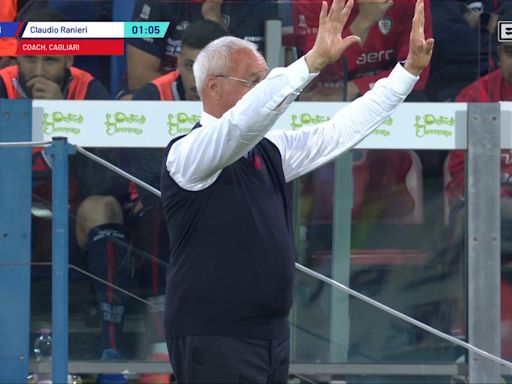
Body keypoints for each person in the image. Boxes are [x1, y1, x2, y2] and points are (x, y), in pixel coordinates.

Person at [159, 0, 434, 381]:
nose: (265, 91)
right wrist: (311, 63)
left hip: (271, 334)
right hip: (214, 335)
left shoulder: (270, 150)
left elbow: (341, 131)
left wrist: (406, 73)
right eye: (254, 82)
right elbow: (242, 122)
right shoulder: (187, 155)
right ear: (214, 87)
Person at [0, 10, 131, 382]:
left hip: (71, 225)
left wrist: (62, 116)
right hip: (13, 223)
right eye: (30, 58)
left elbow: (106, 184)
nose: (38, 71)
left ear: (70, 59)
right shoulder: (2, 85)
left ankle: (111, 350)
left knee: (102, 207)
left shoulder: (89, 90)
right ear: (17, 57)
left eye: (50, 59)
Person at [127, 19, 229, 384]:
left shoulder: (238, 101)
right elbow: (142, 168)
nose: (194, 76)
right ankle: (160, 340)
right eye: (188, 66)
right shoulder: (151, 95)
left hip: (215, 208)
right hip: (160, 206)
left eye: (205, 67)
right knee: (161, 219)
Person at [445, 9, 512, 360]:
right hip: (488, 211)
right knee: (470, 217)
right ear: (498, 54)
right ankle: (463, 342)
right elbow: (459, 175)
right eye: (510, 52)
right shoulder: (476, 96)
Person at [291, 0, 432, 101]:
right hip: (326, 94)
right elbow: (317, 73)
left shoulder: (413, 3)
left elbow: (415, 73)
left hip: (378, 91)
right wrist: (363, 21)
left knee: (413, 98)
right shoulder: (312, 3)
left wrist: (356, 87)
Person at [126, 0, 273, 92]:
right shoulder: (154, 3)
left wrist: (214, 18)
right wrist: (189, 93)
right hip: (169, 96)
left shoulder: (255, 5)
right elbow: (138, 78)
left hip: (228, 101)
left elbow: (253, 80)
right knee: (129, 103)